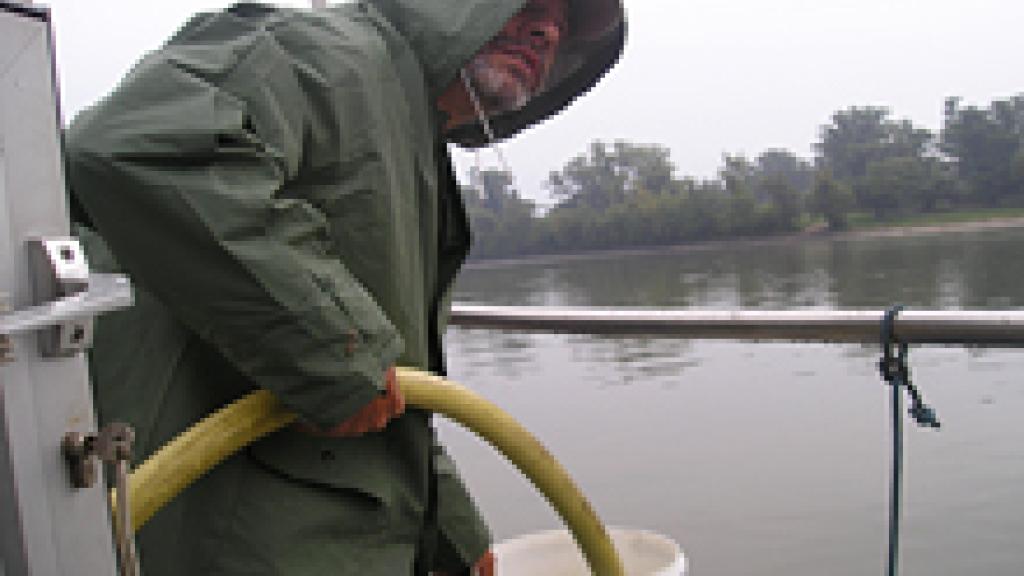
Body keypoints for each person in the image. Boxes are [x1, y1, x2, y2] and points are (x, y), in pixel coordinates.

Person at [64, 0, 625, 574]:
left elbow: (388, 385)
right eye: (528, 3)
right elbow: (135, 145)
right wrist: (334, 351)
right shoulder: (325, 53)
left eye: (566, 23)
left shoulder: (414, 143)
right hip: (239, 540)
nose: (547, 29)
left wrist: (458, 539)